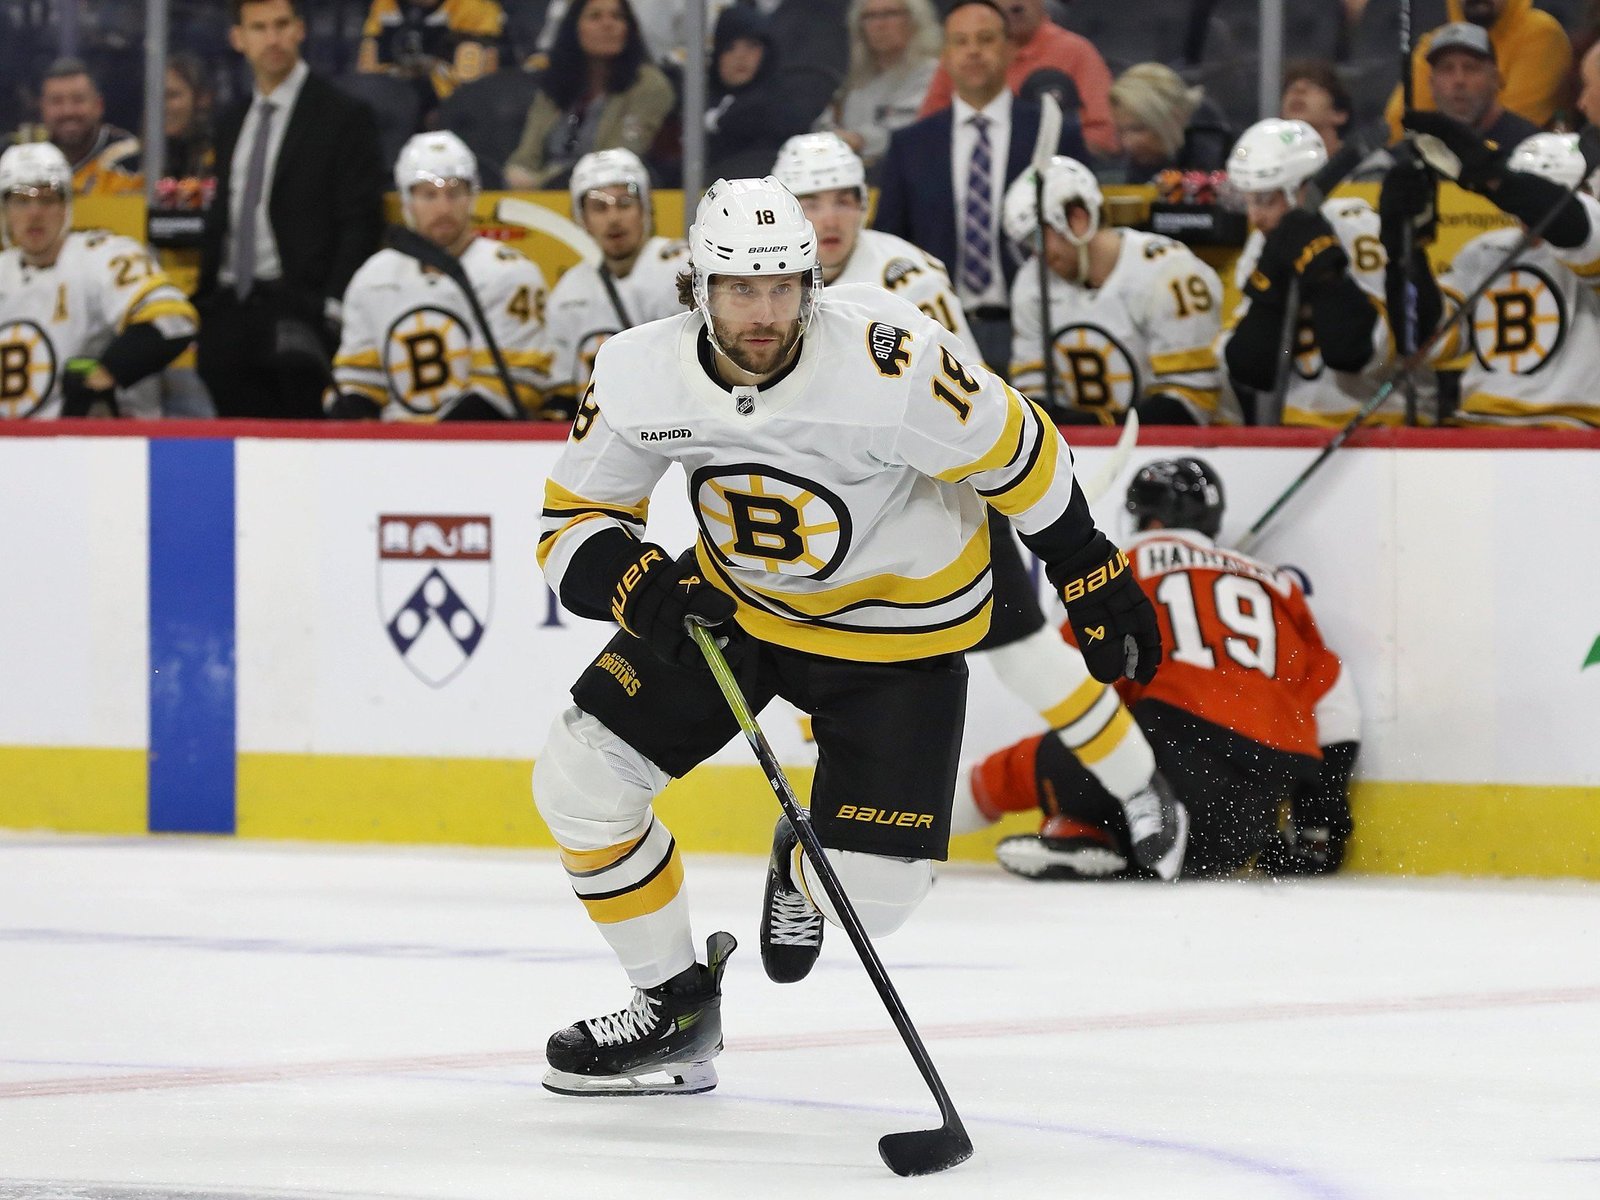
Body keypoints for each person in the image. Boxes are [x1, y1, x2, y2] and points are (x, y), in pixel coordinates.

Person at [531, 175, 1162, 1094]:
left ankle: (803, 866)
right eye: (739, 289)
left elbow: (1018, 449)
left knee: (878, 899)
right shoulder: (639, 369)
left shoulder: (888, 364)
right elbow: (572, 522)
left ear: (811, 283)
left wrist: (1088, 567)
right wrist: (634, 583)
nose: (763, 314)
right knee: (581, 782)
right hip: (739, 608)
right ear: (696, 287)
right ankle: (673, 1008)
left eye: (782, 287)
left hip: (898, 636)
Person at [776, 130, 1186, 882]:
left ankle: (1141, 788)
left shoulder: (907, 278)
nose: (829, 217)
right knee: (831, 668)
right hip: (825, 513)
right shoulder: (750, 283)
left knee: (1024, 656)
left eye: (843, 199)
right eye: (809, 202)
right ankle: (854, 826)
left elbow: (968, 404)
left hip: (937, 502)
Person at [954, 457, 1362, 881]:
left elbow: (1080, 686)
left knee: (1052, 756)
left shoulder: (1116, 567)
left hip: (1174, 762)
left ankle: (939, 822)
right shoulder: (1277, 583)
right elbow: (1336, 703)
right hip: (1254, 813)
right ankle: (1095, 839)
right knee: (1129, 773)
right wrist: (1319, 824)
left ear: (1144, 518)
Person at [195, 0, 387, 420]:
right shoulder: (231, 121)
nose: (273, 38)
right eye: (259, 28)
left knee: (302, 443)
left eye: (282, 25)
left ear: (300, 29)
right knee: (235, 440)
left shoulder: (342, 116)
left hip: (301, 310)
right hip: (229, 310)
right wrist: (207, 303)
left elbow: (360, 220)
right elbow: (224, 211)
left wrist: (333, 305)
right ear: (238, 39)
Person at [874, 0, 1089, 374]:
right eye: (960, 41)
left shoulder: (1052, 130)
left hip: (1038, 325)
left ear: (1010, 49)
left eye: (986, 39)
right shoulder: (910, 145)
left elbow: (1081, 230)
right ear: (945, 55)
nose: (973, 51)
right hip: (938, 331)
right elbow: (890, 246)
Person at [1385, 124, 1600, 426]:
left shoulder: (1591, 242)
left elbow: (1569, 222)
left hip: (1571, 431)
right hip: (1477, 427)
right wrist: (1406, 250)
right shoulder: (1484, 251)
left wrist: (1497, 178)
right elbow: (1433, 343)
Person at [329, 132, 548, 422]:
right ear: (407, 201)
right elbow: (359, 380)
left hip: (479, 443)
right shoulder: (373, 277)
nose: (443, 208)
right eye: (429, 195)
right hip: (395, 442)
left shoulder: (511, 272)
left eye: (454, 193)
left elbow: (510, 386)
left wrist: (436, 441)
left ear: (472, 197)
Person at [1001, 155, 1229, 425]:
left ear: (1078, 219)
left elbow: (1191, 402)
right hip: (1085, 446)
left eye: (1038, 237)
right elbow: (1032, 393)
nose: (1037, 254)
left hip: (1184, 444)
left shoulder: (1170, 272)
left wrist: (1098, 428)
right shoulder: (1032, 283)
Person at [0, 143, 197, 420]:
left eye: (47, 200)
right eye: (21, 201)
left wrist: (106, 373)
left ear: (66, 206)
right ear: (5, 210)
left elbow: (173, 321)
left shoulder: (104, 255)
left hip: (96, 438)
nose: (34, 213)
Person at [1220, 118, 1393, 427]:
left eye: (1265, 199)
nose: (1255, 217)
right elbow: (1252, 368)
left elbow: (1367, 355)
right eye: (1248, 199)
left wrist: (1326, 275)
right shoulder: (1261, 245)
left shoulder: (1361, 230)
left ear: (1302, 189)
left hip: (1379, 424)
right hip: (1297, 426)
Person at [538, 147, 688, 416]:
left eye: (625, 203)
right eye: (599, 207)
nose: (614, 218)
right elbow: (561, 394)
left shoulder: (683, 269)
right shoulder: (568, 292)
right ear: (581, 218)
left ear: (645, 208)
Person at [503, 0, 673, 191]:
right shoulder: (557, 80)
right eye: (595, 16)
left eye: (618, 17)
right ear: (574, 28)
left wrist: (543, 182)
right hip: (542, 193)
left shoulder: (648, 85)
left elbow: (619, 158)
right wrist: (517, 174)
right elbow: (526, 155)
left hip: (608, 191)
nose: (608, 24)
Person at [916, 0, 1119, 159]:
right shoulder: (964, 57)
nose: (1014, 4)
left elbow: (1106, 136)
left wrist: (1041, 150)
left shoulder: (1076, 52)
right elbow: (926, 133)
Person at [1383, 0, 1572, 138]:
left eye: (1471, 67)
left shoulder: (1540, 33)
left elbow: (1509, 129)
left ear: (1495, 77)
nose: (1459, 79)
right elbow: (1399, 125)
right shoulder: (1436, 43)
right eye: (1447, 68)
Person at [816, 0, 943, 172]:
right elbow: (824, 125)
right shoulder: (856, 80)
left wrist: (859, 139)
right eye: (870, 16)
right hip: (850, 174)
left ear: (915, 19)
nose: (879, 25)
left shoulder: (933, 73)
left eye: (890, 14)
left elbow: (913, 127)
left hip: (907, 171)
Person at [702, 6, 811, 180]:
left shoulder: (781, 109)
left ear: (767, 51)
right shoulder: (696, 101)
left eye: (751, 46)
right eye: (730, 47)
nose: (740, 56)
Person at [14, 58, 142, 197]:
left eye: (78, 100)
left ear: (98, 105)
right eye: (57, 101)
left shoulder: (131, 159)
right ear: (42, 108)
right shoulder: (22, 158)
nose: (68, 111)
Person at [356, 0, 505, 106]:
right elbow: (367, 76)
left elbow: (475, 91)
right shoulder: (384, 4)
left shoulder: (474, 8)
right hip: (395, 112)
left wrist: (434, 70)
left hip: (453, 114)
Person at [1107, 62, 1233, 183]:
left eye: (1138, 129)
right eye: (1120, 131)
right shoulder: (1144, 160)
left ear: (1175, 116)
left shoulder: (1216, 163)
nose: (1127, 143)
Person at [1280, 59, 1358, 162]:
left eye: (1314, 85)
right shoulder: (1265, 165)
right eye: (1290, 86)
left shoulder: (1366, 167)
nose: (1298, 89)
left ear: (1339, 114)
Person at [164, 52, 217, 182]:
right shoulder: (142, 153)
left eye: (172, 95)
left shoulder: (219, 153)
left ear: (202, 99)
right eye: (156, 96)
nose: (162, 106)